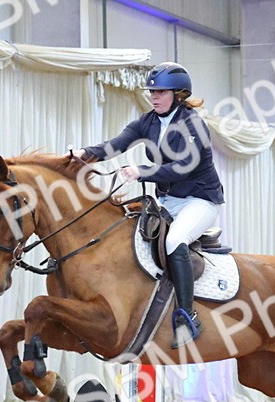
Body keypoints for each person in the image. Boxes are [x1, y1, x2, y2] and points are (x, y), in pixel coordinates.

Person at [75, 62, 224, 349]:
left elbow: (182, 168)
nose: (154, 97)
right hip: (168, 200)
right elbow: (117, 144)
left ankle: (186, 316)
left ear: (179, 95)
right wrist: (85, 154)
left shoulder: (193, 125)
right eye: (152, 92)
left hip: (200, 200)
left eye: (161, 92)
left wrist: (142, 171)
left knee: (175, 241)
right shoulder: (147, 122)